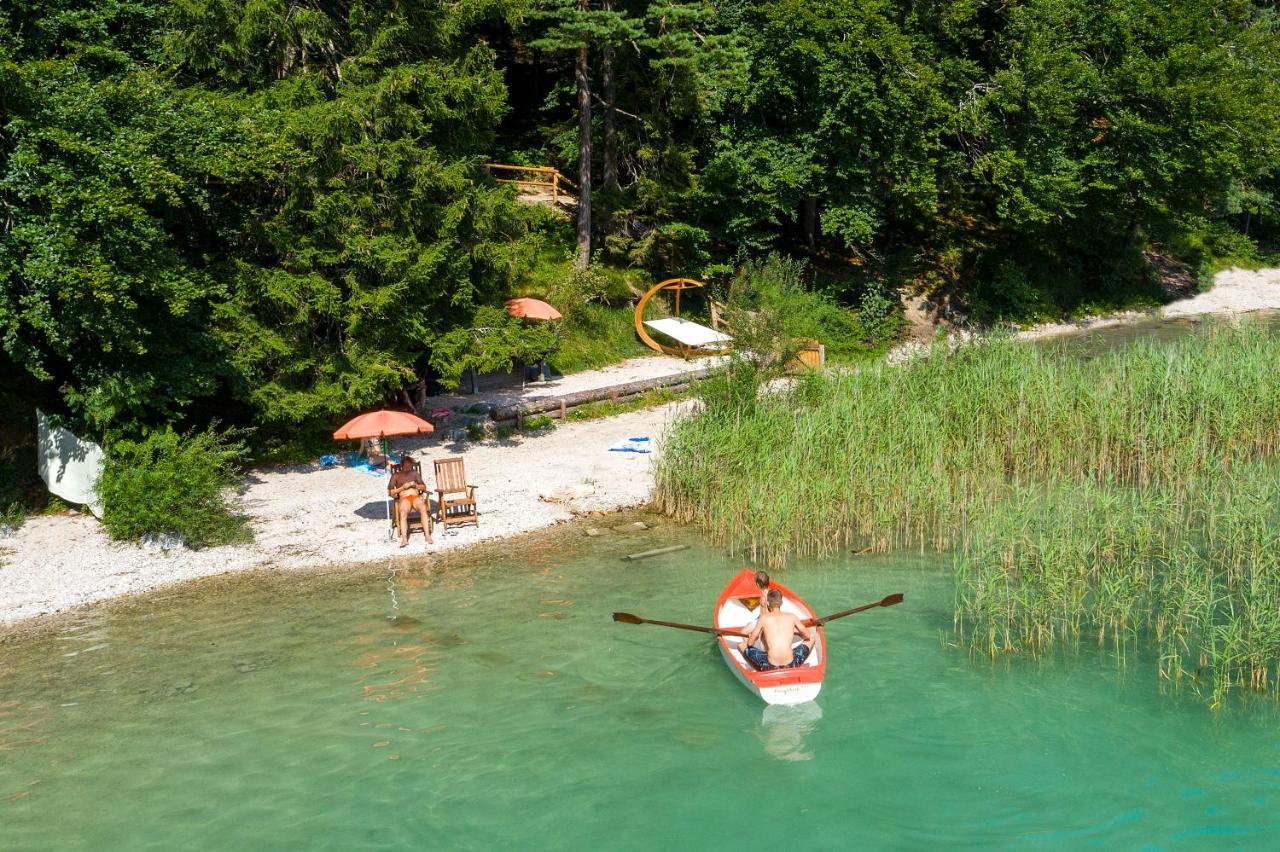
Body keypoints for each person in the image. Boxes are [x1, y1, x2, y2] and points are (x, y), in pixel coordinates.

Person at [738, 589, 815, 670]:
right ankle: (795, 668)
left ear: (767, 603)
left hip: (770, 665)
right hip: (791, 663)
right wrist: (794, 631)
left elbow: (750, 643)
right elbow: (808, 636)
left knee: (741, 645)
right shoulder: (792, 616)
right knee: (812, 638)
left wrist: (754, 637)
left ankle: (761, 670)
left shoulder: (763, 618)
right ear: (781, 603)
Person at [388, 455, 432, 547]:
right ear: (402, 465)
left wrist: (416, 485)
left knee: (423, 509)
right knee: (403, 513)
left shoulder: (414, 474)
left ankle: (427, 535)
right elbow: (390, 492)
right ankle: (404, 539)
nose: (408, 468)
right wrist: (402, 488)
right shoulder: (396, 476)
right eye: (406, 466)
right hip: (404, 498)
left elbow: (424, 487)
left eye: (410, 466)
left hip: (416, 497)